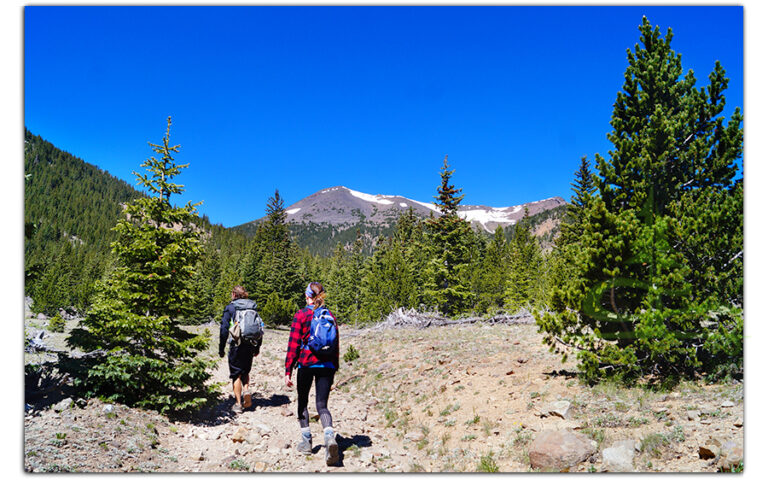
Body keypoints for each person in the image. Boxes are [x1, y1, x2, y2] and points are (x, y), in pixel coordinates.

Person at [285, 282, 340, 466]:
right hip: (327, 364)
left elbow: (293, 345)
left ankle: (307, 442)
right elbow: (336, 343)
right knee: (322, 405)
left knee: (303, 401)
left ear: (307, 295)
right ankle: (329, 437)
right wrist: (334, 367)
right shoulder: (329, 315)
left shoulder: (301, 314)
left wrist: (288, 370)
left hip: (306, 363)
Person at [219, 285, 262, 414]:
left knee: (236, 373)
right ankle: (246, 390)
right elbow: (260, 328)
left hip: (236, 344)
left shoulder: (231, 308)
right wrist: (257, 347)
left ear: (234, 294)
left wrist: (221, 348)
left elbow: (224, 329)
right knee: (245, 371)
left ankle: (238, 404)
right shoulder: (252, 307)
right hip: (250, 344)